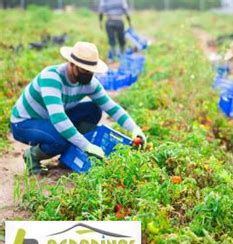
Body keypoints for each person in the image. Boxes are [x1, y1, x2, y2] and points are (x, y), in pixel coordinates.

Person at [10, 41, 146, 175]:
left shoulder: (89, 83)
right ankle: (32, 156)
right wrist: (86, 145)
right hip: (24, 122)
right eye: (83, 70)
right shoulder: (52, 77)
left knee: (93, 109)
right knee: (60, 139)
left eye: (91, 71)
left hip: (50, 119)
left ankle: (68, 153)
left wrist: (135, 129)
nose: (88, 74)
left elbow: (112, 107)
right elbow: (58, 118)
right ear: (72, 64)